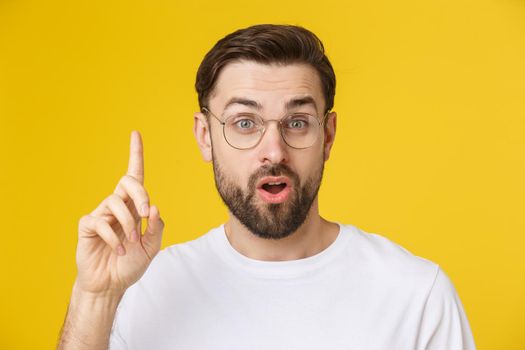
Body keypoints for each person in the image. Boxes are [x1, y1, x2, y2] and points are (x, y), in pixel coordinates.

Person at [58, 24, 476, 350]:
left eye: (297, 123)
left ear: (327, 135)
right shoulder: (142, 291)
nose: (273, 151)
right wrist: (93, 295)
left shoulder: (416, 295)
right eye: (245, 123)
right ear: (205, 136)